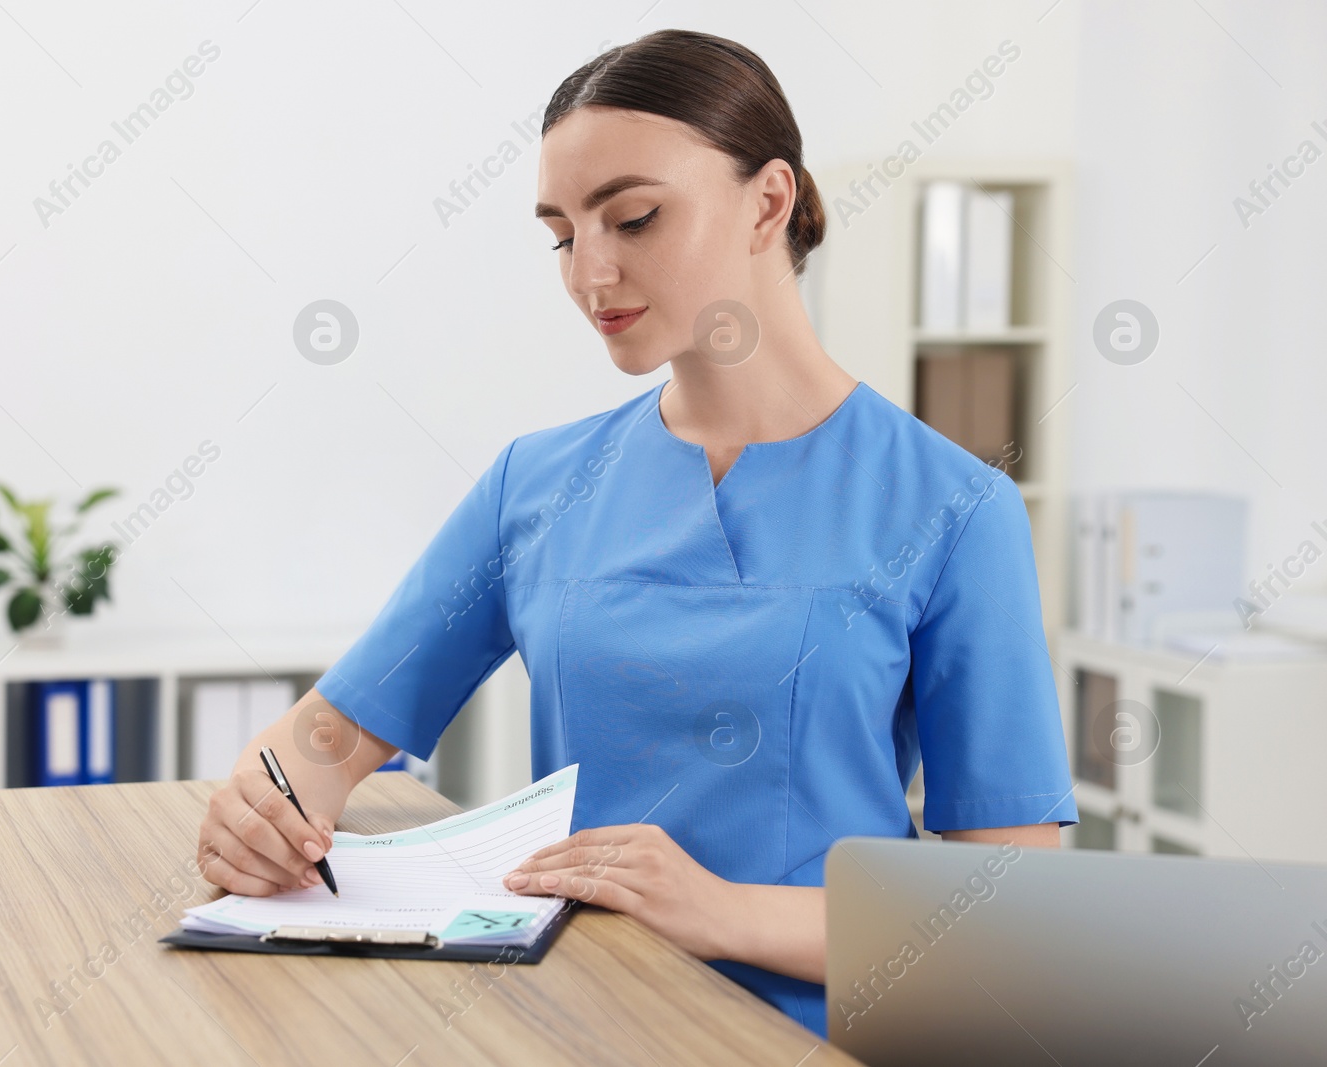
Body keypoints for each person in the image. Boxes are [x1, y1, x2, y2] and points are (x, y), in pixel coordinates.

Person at [196, 27, 1076, 1039]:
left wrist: (720, 908)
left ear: (769, 201)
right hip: (571, 1013)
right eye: (563, 234)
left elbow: (1003, 910)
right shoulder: (536, 484)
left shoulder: (952, 509)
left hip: (805, 1032)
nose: (590, 272)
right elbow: (327, 737)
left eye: (634, 217)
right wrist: (262, 806)